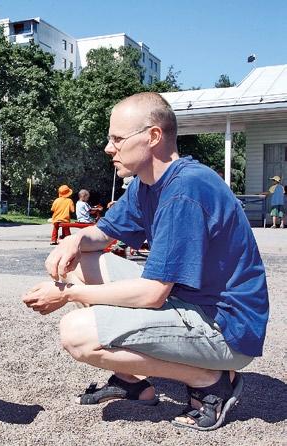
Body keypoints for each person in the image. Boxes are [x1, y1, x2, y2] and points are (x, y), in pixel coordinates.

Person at [22, 92, 269, 431]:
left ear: (153, 137)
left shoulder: (185, 190)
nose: (109, 148)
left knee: (76, 334)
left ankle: (210, 379)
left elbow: (152, 293)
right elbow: (104, 235)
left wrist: (67, 294)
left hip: (226, 329)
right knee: (81, 262)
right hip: (190, 303)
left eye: (117, 139)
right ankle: (132, 380)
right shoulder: (146, 184)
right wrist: (75, 239)